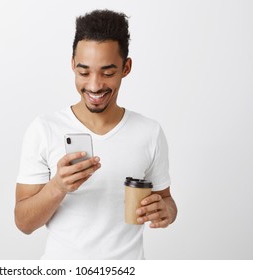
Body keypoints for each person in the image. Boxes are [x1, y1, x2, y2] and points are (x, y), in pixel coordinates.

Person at [15, 9, 177, 259]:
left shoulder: (149, 132)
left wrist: (165, 211)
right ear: (72, 65)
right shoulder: (44, 129)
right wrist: (58, 186)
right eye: (84, 72)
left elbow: (167, 201)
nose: (94, 85)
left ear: (126, 67)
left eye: (108, 73)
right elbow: (24, 223)